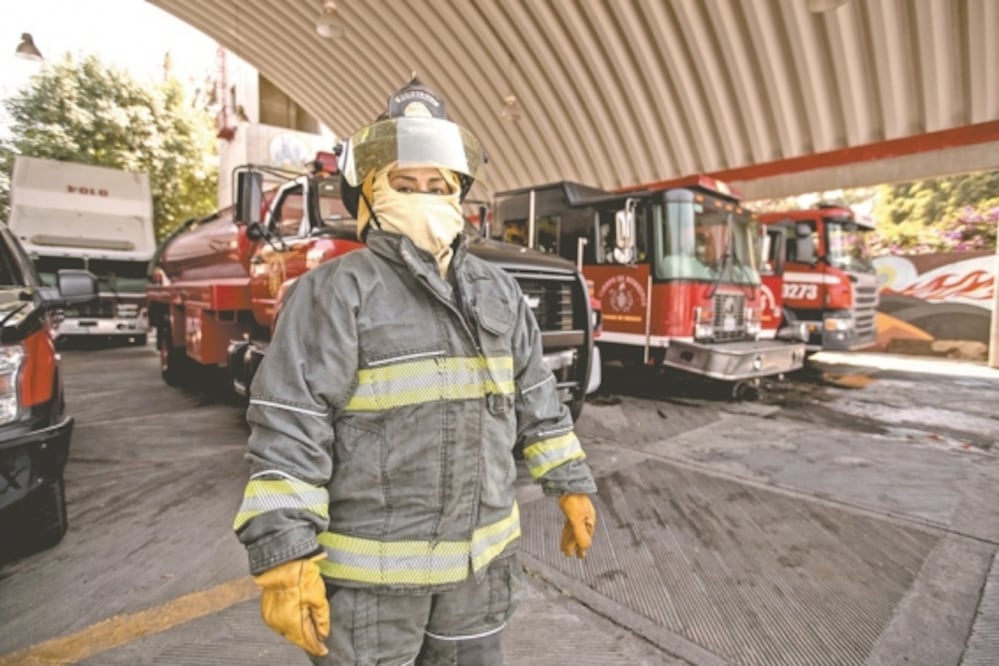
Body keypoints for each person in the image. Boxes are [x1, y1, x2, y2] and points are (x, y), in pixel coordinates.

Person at [232, 78, 598, 665]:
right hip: (372, 596)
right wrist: (284, 552)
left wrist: (570, 484)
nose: (423, 196)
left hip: (477, 583)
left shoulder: (497, 292)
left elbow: (537, 400)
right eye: (404, 184)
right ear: (369, 198)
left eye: (437, 185)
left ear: (458, 196)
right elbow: (291, 429)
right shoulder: (333, 293)